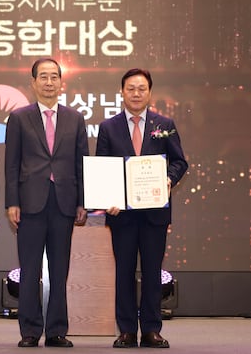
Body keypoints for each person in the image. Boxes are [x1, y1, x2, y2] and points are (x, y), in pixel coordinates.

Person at [96, 68, 188, 349]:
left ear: (149, 92)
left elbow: (179, 161)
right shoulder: (108, 127)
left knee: (152, 272)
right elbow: (103, 167)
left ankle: (151, 330)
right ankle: (126, 330)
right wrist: (107, 198)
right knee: (123, 272)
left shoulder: (165, 124)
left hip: (154, 213)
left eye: (141, 89)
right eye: (131, 89)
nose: (136, 94)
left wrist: (168, 179)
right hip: (121, 214)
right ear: (122, 92)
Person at [5, 58, 89, 348]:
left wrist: (83, 201)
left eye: (54, 77)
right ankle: (29, 331)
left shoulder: (75, 118)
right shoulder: (19, 118)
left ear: (61, 83)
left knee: (59, 269)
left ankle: (56, 331)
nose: (49, 82)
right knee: (29, 270)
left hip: (64, 202)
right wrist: (12, 202)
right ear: (33, 82)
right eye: (43, 77)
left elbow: (81, 163)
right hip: (30, 202)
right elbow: (11, 164)